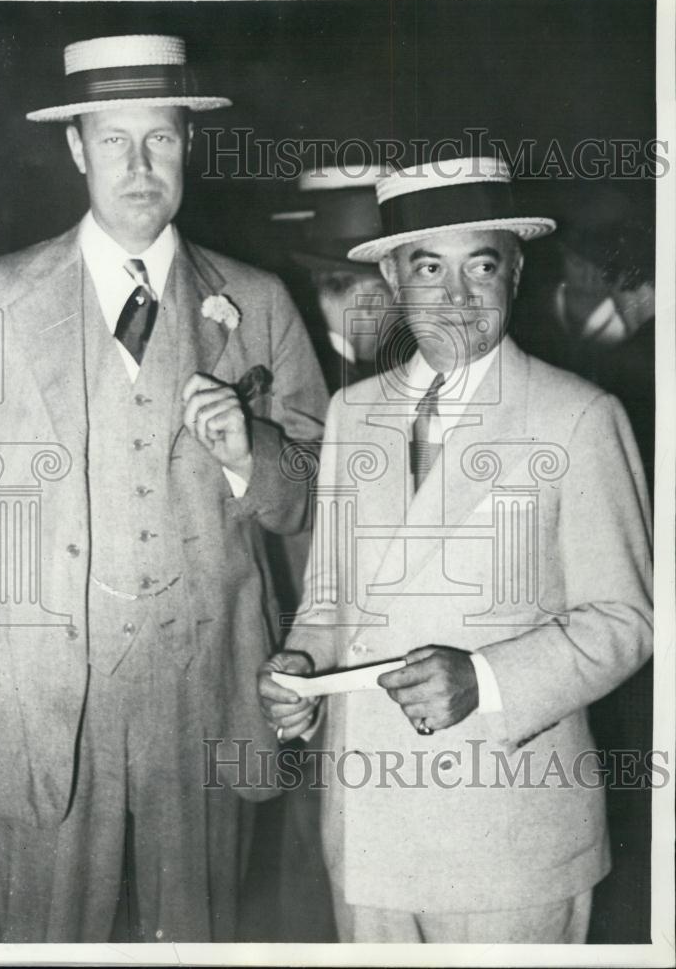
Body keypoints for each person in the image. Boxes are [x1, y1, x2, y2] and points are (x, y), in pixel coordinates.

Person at [0, 33, 328, 943]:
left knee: (198, 937)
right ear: (76, 148)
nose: (139, 165)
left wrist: (252, 452)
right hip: (40, 693)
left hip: (208, 687)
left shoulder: (259, 299)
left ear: (188, 146)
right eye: (113, 141)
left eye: (159, 139)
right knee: (44, 940)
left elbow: (321, 495)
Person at [258, 154, 653, 943]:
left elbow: (626, 621)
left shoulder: (579, 416)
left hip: (510, 838)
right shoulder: (353, 413)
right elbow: (331, 598)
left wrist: (485, 678)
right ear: (396, 282)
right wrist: (300, 668)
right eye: (429, 268)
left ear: (514, 273)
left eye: (482, 266)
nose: (458, 297)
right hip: (368, 829)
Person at [272, 167, 394, 394]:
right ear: (371, 302)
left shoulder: (288, 361)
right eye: (397, 305)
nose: (396, 323)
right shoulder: (349, 389)